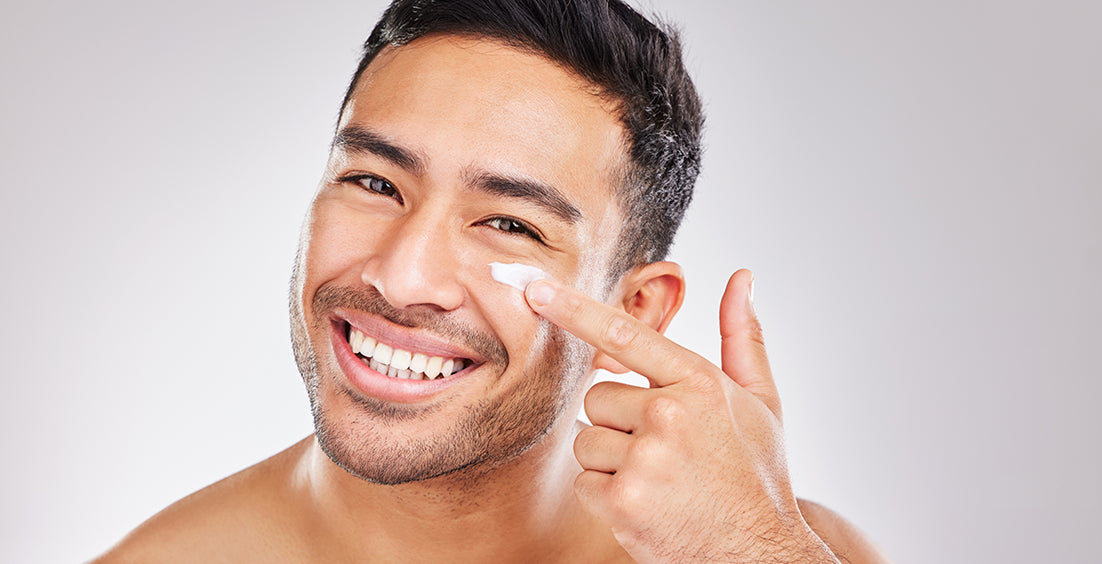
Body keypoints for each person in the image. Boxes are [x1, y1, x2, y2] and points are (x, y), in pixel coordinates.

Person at [96, 0, 888, 561]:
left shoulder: (785, 552)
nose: (402, 278)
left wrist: (752, 554)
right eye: (373, 183)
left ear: (635, 308)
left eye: (510, 224)